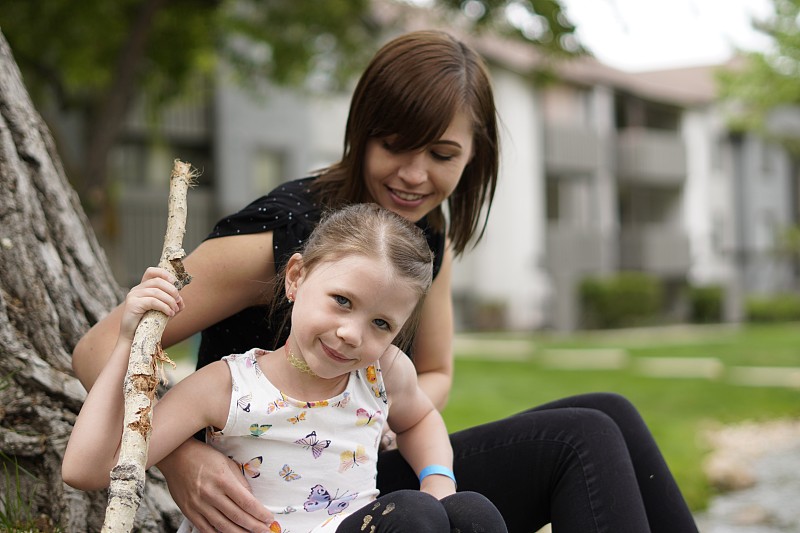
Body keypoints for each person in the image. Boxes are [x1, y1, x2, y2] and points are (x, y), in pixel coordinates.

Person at [71, 30, 699, 533]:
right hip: (272, 490)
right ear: (362, 132)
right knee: (583, 436)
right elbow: (98, 349)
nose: (414, 176)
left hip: (359, 467)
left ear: (473, 154)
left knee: (609, 413)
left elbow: (434, 373)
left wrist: (385, 409)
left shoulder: (427, 235)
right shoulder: (287, 235)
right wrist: (182, 457)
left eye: (442, 156)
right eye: (395, 145)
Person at [63, 204, 508, 533]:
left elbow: (421, 419)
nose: (352, 334)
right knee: (414, 516)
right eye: (342, 301)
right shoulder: (226, 387)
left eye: (380, 323)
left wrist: (438, 481)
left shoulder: (382, 375)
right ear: (296, 277)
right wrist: (127, 342)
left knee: (470, 514)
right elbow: (85, 469)